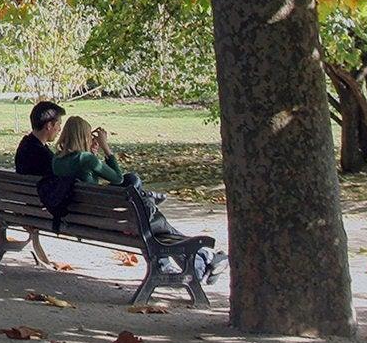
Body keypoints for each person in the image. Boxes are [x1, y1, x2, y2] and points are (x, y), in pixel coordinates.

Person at [15, 101, 223, 281]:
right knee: (150, 214)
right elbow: (117, 178)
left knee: (147, 212)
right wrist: (105, 149)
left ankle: (198, 260)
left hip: (84, 217)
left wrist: (89, 156)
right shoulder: (72, 158)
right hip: (109, 218)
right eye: (57, 124)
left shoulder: (49, 157)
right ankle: (203, 255)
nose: (58, 129)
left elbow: (74, 178)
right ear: (50, 125)